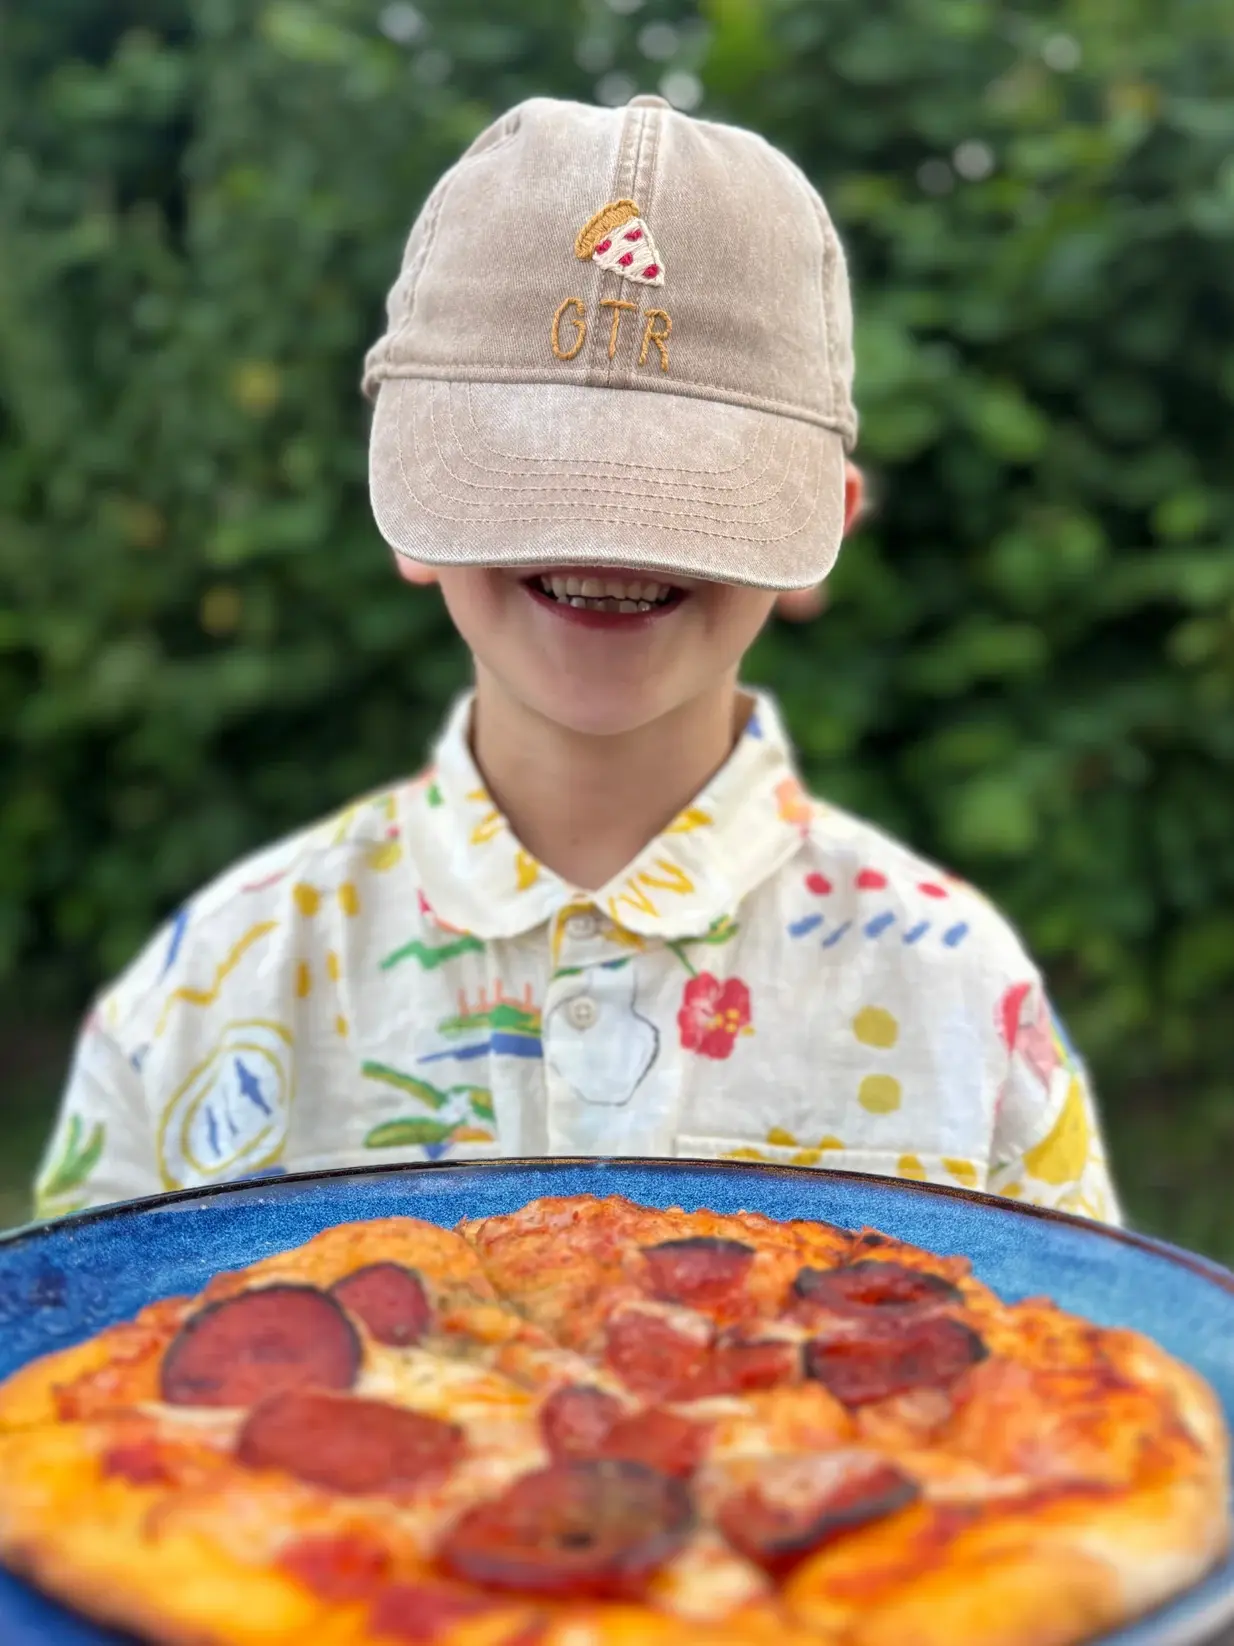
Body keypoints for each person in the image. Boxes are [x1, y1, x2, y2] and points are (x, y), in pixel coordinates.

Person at [34, 95, 1119, 1224]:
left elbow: (1096, 1385)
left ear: (825, 532)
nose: (606, 537)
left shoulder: (958, 998)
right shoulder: (208, 990)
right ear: (405, 506)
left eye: (693, 490)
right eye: (528, 470)